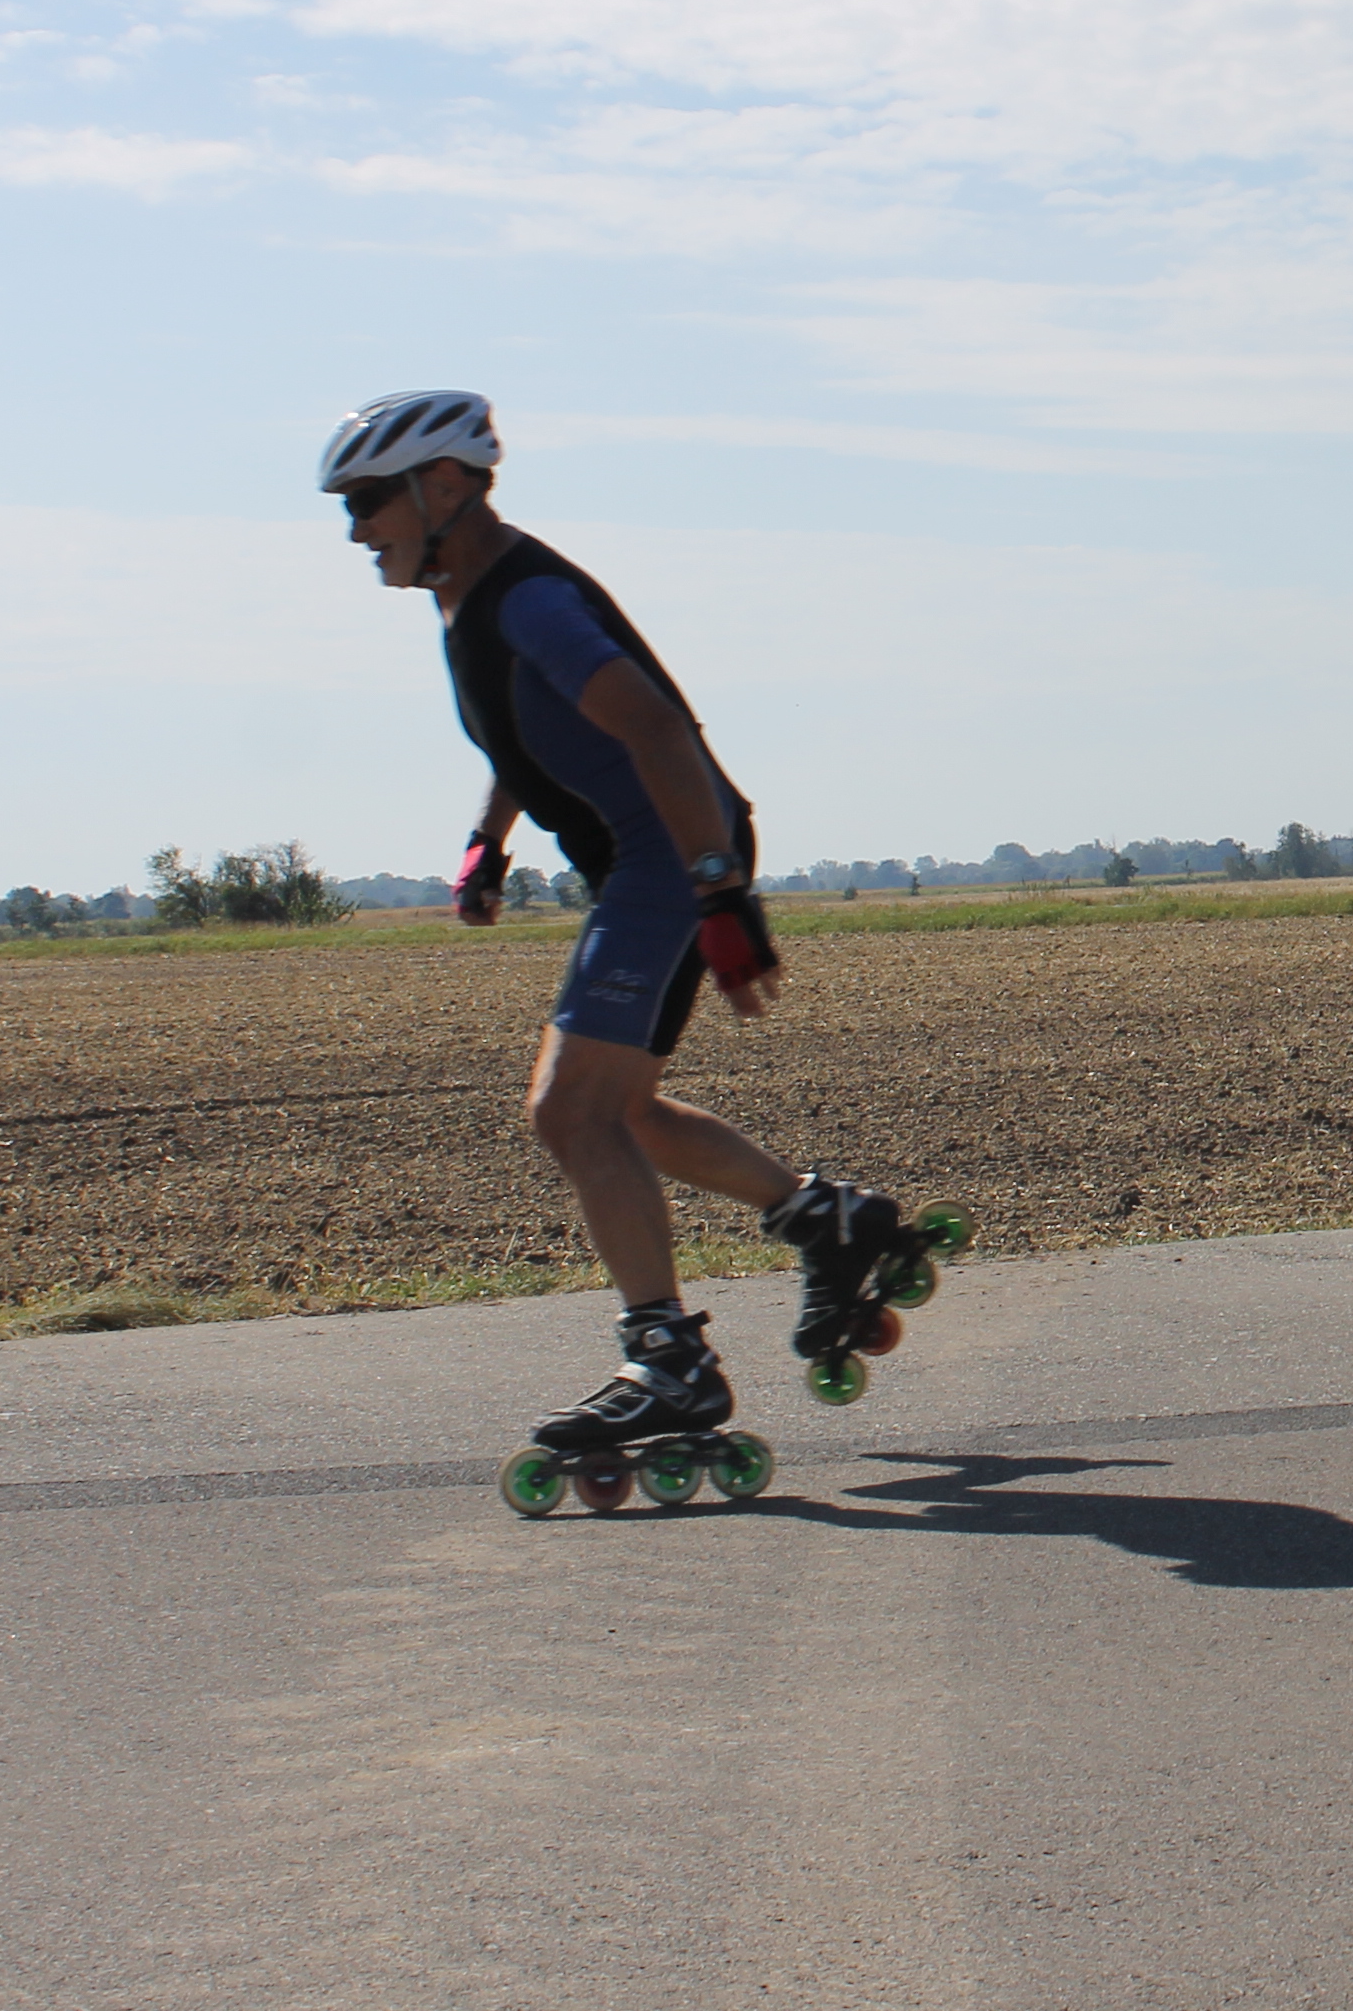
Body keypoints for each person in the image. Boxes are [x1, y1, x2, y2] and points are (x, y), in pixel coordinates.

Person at [318, 390, 959, 1479]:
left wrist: (717, 892)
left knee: (569, 1111)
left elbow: (657, 725)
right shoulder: (471, 598)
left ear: (443, 486)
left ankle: (669, 1361)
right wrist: (487, 844)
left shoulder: (525, 599)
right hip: (649, 857)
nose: (354, 529)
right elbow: (530, 737)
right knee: (622, 1112)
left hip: (668, 852)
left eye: (368, 500)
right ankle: (825, 1219)